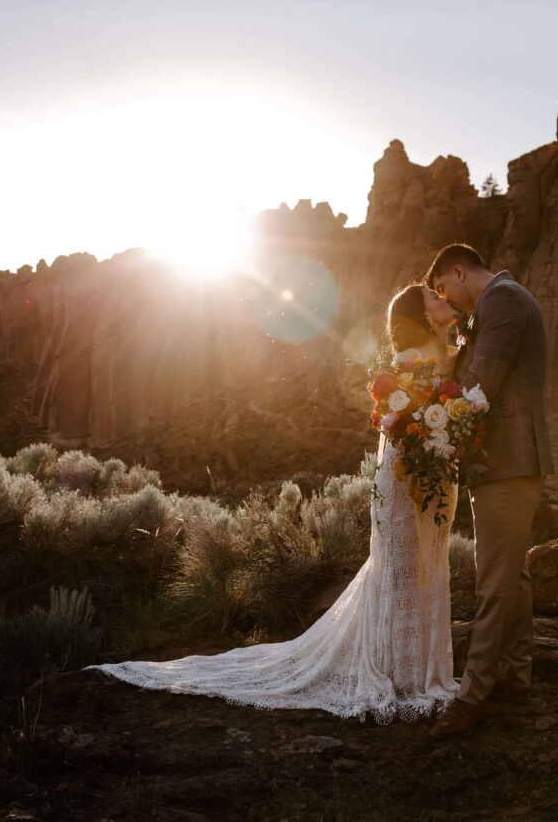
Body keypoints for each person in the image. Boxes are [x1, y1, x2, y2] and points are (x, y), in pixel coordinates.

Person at [87, 285, 462, 723]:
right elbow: (403, 422)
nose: (442, 299)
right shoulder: (408, 361)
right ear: (420, 314)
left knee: (420, 564)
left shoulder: (441, 350)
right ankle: (401, 673)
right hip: (403, 475)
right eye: (433, 298)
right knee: (401, 565)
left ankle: (414, 667)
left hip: (427, 471)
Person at [425, 243, 552, 740]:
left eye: (443, 289)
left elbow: (482, 385)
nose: (446, 299)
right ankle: (515, 677)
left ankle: (471, 697)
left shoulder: (502, 300)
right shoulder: (498, 301)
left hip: (510, 461)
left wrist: (430, 418)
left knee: (492, 583)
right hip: (506, 463)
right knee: (512, 576)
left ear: (459, 271)